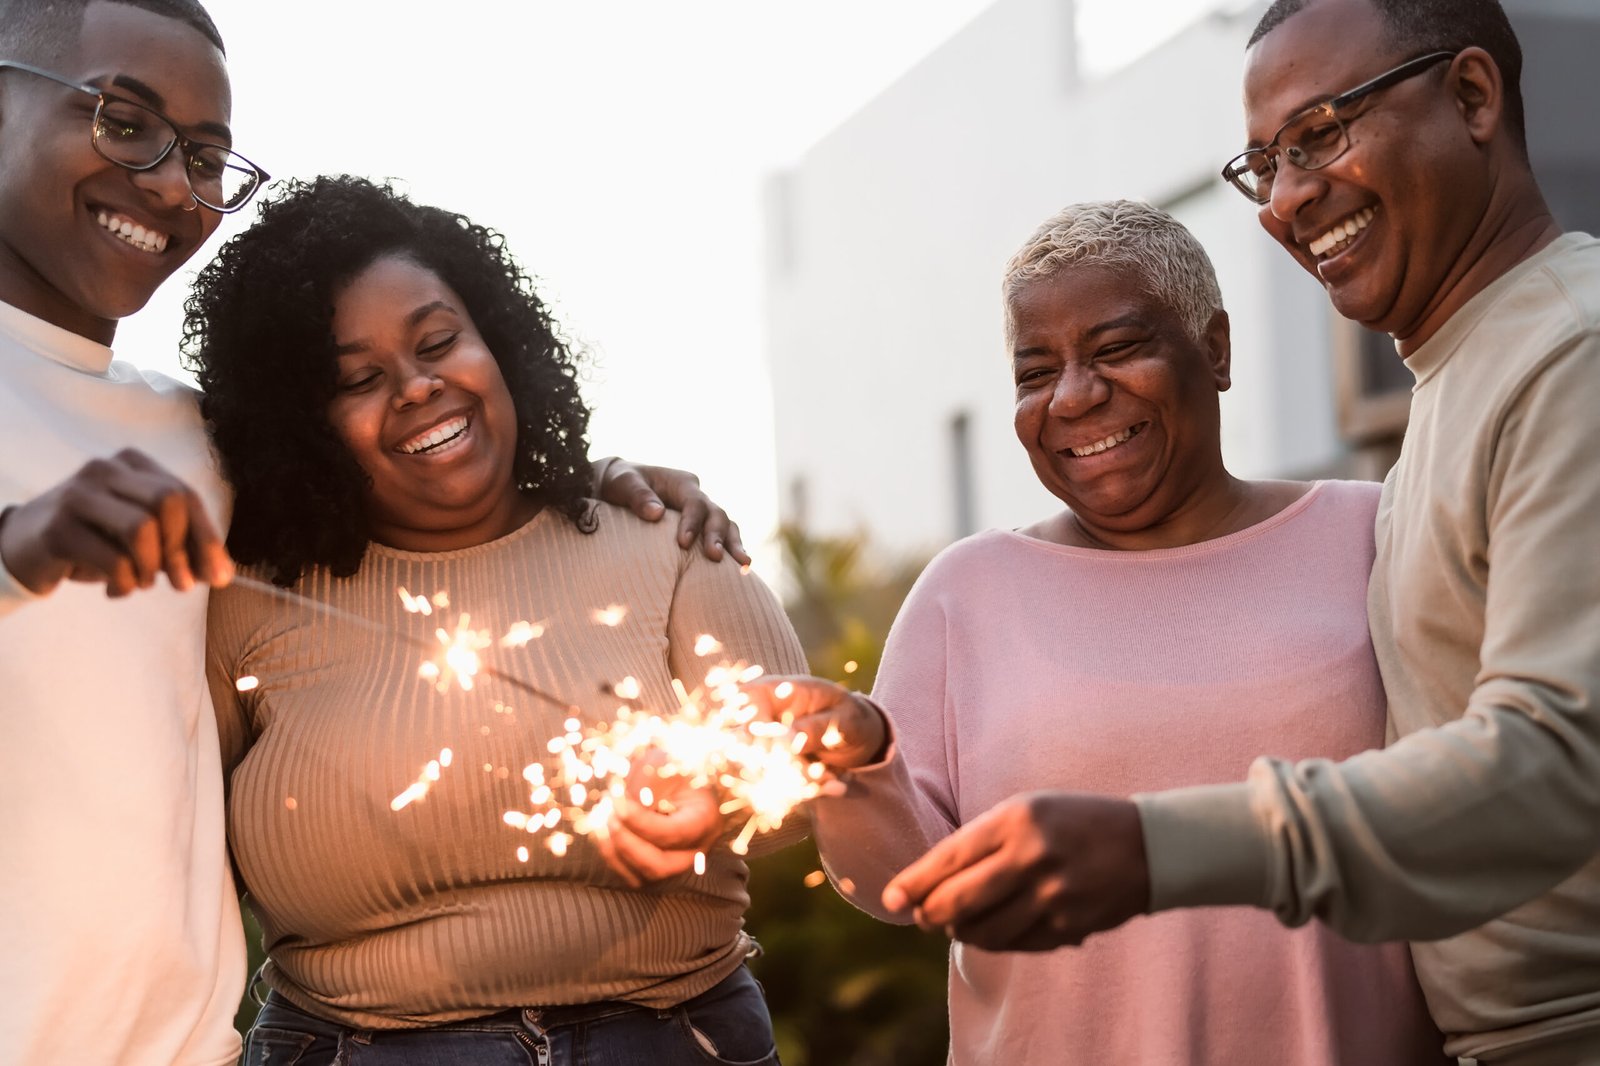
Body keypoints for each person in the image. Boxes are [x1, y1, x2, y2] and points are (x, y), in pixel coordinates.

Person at [0, 3, 746, 1062]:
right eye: (125, 121)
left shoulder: (198, 441)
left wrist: (591, 481)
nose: (172, 183)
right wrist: (15, 547)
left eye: (209, 157)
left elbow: (413, 477)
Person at [869, 2, 1600, 1064]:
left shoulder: (1566, 357)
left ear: (1473, 96)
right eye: (1264, 162)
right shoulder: (1463, 378)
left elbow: (1556, 760)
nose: (1288, 198)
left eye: (1323, 132)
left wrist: (1149, 844)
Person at [678, 200, 1441, 1063]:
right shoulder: (967, 592)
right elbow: (895, 887)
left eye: (1117, 349)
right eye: (1036, 371)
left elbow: (1483, 796)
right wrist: (856, 762)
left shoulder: (1373, 534)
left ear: (1215, 349)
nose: (1074, 396)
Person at [188, 174, 806, 1066]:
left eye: (439, 341)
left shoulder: (663, 540)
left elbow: (797, 782)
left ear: (498, 343)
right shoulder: (245, 600)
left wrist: (720, 799)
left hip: (671, 1040)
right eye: (358, 379)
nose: (417, 387)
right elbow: (156, 845)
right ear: (301, 427)